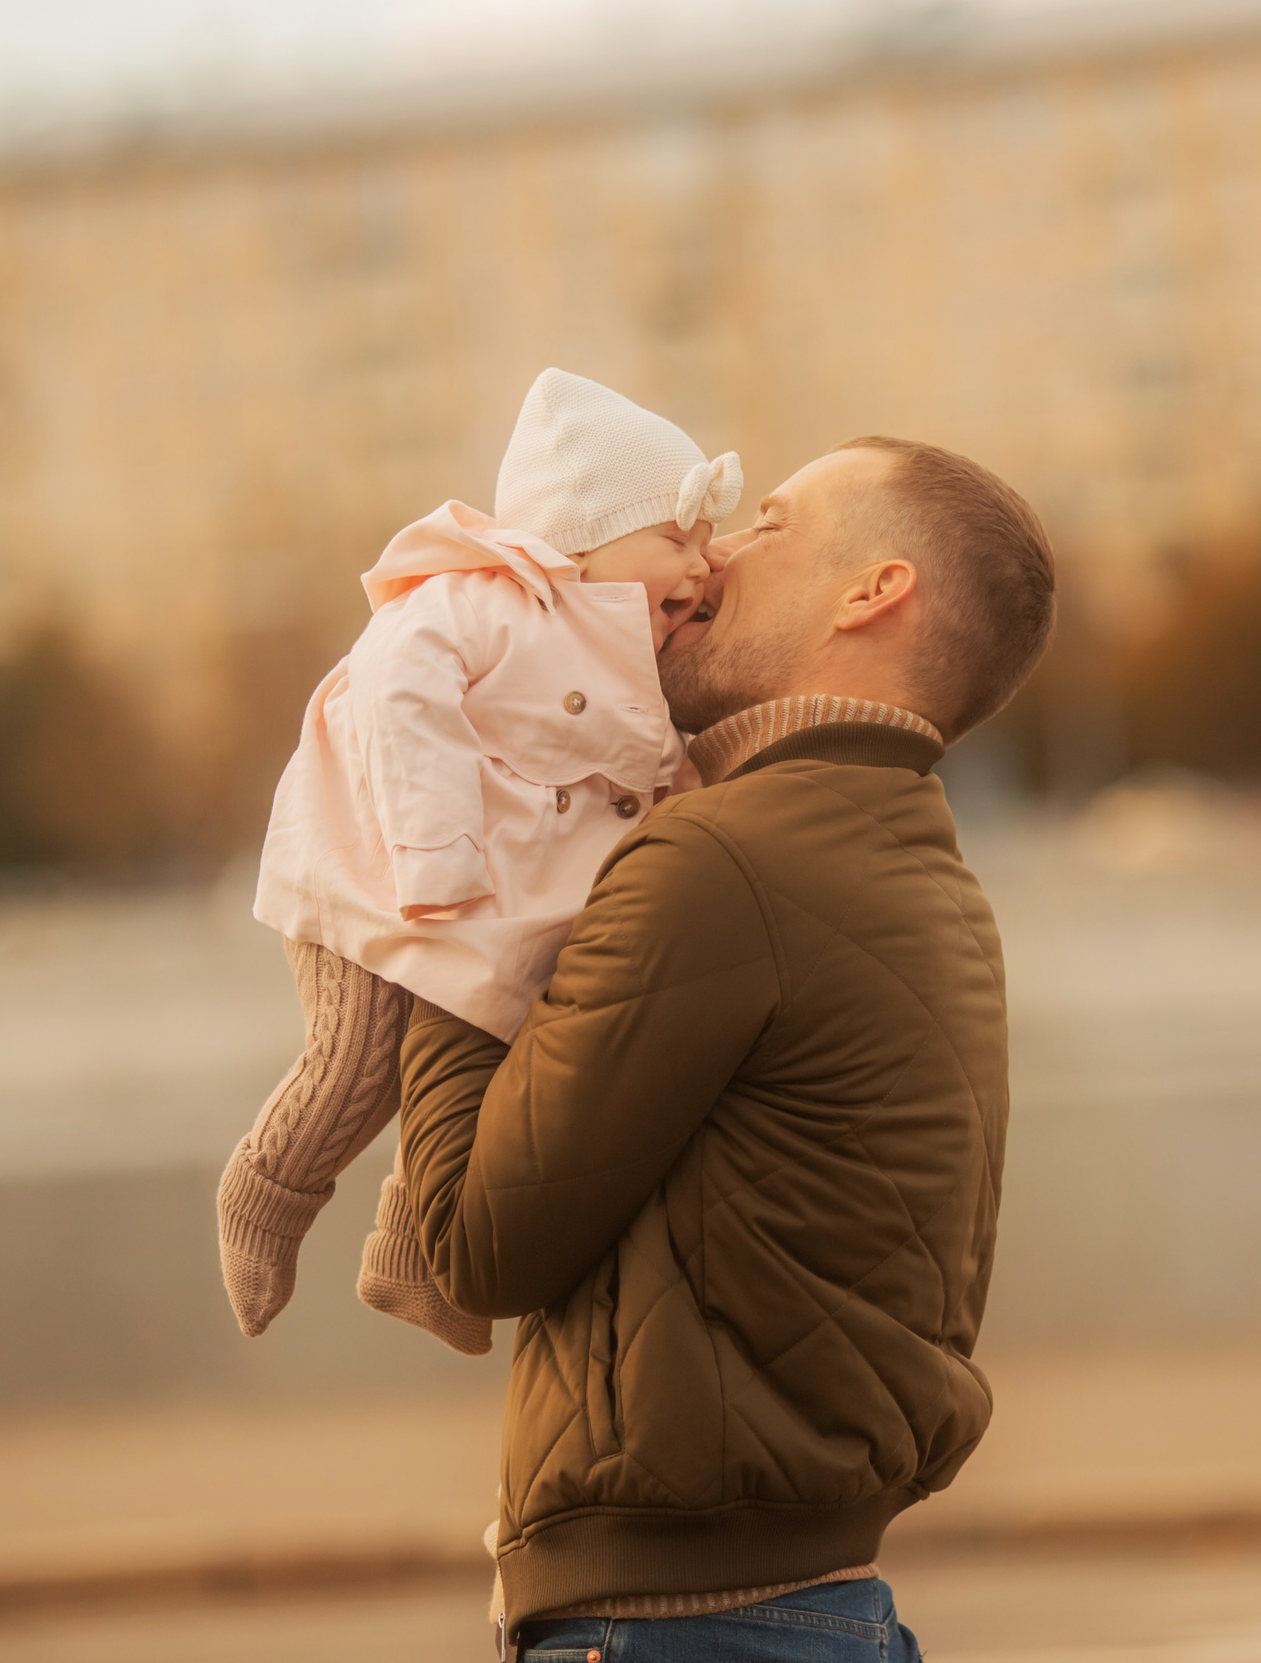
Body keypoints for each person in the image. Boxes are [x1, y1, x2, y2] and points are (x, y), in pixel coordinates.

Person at [398, 435, 1056, 1660]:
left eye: (768, 523)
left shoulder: (726, 863)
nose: (713, 556)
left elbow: (473, 1243)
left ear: (873, 591)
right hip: (812, 1608)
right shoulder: (911, 867)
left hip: (683, 1632)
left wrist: (446, 916)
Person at [217, 368, 742, 1355]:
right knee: (358, 1067)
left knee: (507, 1074)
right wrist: (434, 852)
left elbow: (667, 772)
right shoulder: (479, 601)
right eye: (678, 538)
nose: (703, 564)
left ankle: (412, 1257)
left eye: (706, 540)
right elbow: (396, 692)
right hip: (378, 878)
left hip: (492, 917)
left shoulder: (634, 661)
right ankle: (264, 1192)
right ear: (576, 540)